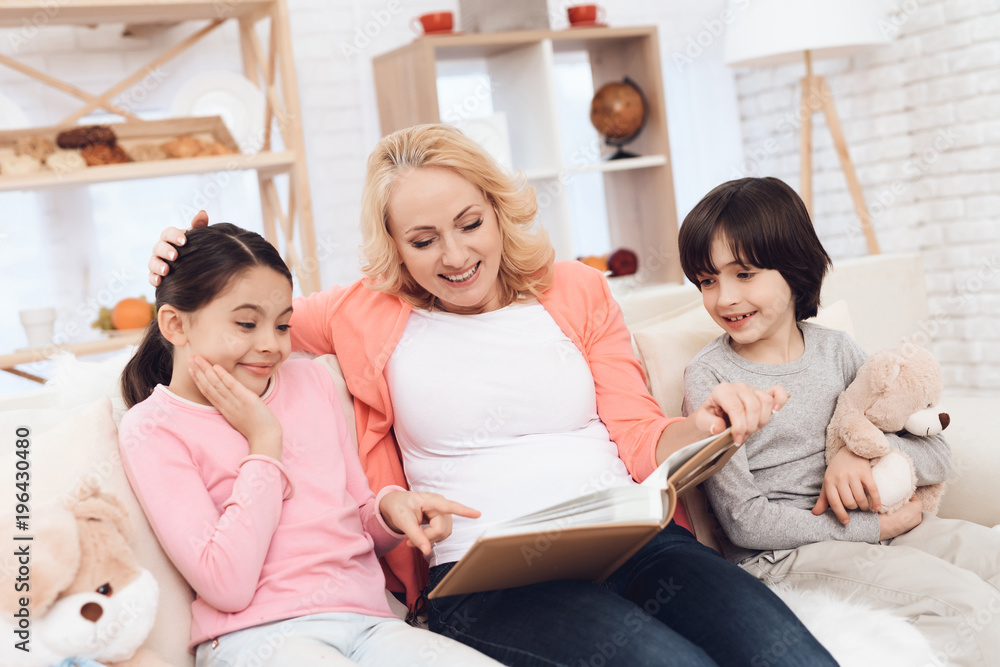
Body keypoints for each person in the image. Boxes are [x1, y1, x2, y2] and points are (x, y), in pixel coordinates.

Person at [148, 124, 837, 666]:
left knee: (795, 657)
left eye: (469, 223)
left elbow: (639, 432)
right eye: (423, 239)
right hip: (489, 581)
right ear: (394, 245)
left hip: (635, 544)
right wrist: (180, 273)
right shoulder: (364, 310)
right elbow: (239, 319)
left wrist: (706, 427)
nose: (453, 255)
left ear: (499, 210)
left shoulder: (576, 290)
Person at [119, 222, 502, 666]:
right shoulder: (153, 428)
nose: (270, 345)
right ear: (174, 324)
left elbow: (356, 515)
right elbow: (226, 584)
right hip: (259, 638)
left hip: (372, 625)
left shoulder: (310, 381)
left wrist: (391, 512)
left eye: (283, 326)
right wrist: (264, 443)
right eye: (246, 323)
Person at [679, 176, 1000, 666]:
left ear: (792, 266)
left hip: (883, 528)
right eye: (707, 281)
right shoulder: (712, 377)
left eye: (743, 274)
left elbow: (937, 455)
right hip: (787, 558)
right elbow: (746, 524)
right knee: (969, 605)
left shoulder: (838, 351)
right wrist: (878, 527)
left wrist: (855, 450)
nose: (723, 298)